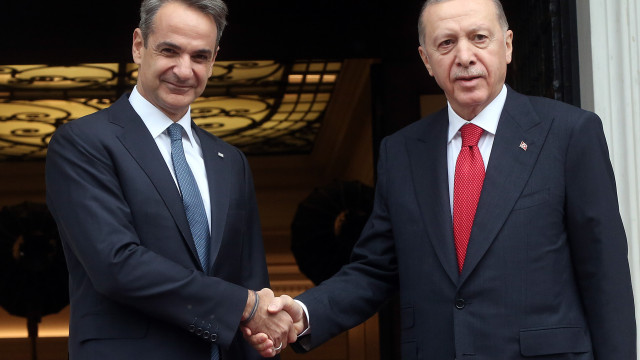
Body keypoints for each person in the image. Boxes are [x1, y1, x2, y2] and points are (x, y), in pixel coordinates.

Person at [247, 0, 637, 358]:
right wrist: (303, 312)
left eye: (479, 38)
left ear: (508, 45)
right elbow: (374, 270)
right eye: (446, 43)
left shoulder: (568, 133)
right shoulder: (402, 152)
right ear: (427, 60)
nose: (465, 56)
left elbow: (605, 275)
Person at [45, 0, 295, 358]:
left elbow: (252, 283)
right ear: (138, 45)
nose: (183, 70)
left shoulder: (231, 162)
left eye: (199, 56)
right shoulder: (83, 143)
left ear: (214, 60)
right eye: (170, 51)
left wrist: (262, 324)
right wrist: (243, 305)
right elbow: (117, 265)